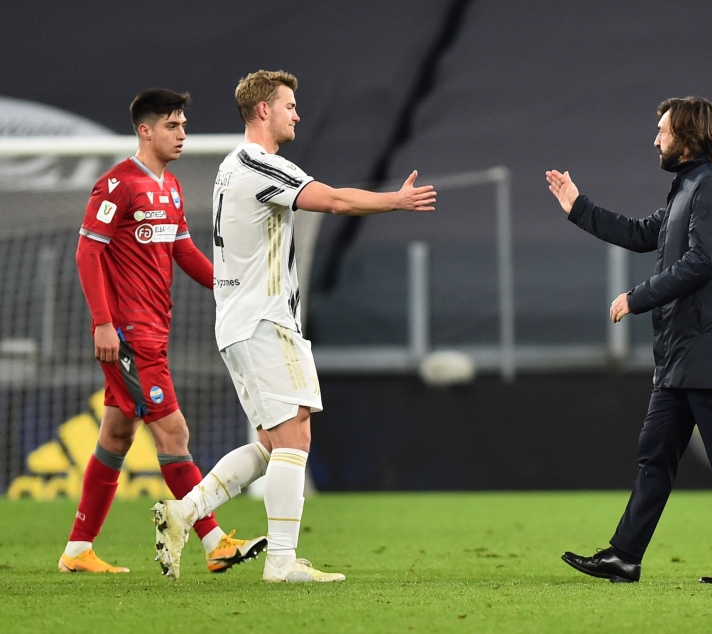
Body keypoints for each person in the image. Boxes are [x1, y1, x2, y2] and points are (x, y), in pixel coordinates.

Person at [153, 70, 437, 583]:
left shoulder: (229, 167)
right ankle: (282, 562)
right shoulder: (261, 166)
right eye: (289, 105)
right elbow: (331, 200)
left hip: (242, 320)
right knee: (295, 437)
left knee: (270, 443)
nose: (296, 114)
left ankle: (186, 511)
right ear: (264, 110)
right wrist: (393, 201)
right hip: (263, 320)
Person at [546, 96, 712, 584]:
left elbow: (703, 263)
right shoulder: (689, 187)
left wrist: (637, 296)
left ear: (688, 137)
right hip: (684, 351)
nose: (655, 139)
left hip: (709, 347)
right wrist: (578, 207)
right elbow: (637, 232)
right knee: (655, 450)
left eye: (663, 131)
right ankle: (624, 556)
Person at [61, 89, 265, 574]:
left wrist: (230, 285)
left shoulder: (170, 188)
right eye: (173, 125)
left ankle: (77, 550)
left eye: (184, 125)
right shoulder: (116, 185)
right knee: (173, 431)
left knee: (116, 435)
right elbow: (88, 254)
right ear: (145, 130)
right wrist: (104, 324)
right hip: (127, 334)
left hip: (154, 331)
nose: (182, 133)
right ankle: (215, 543)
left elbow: (184, 252)